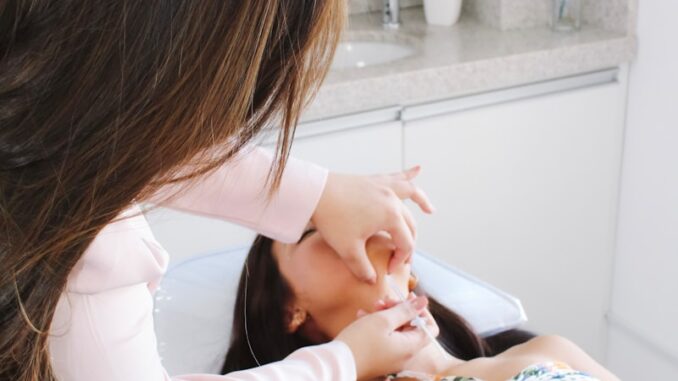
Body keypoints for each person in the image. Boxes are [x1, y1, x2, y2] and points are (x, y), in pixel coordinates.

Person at [0, 1, 435, 380]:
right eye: (307, 233)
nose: (385, 249)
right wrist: (345, 362)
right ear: (290, 313)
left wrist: (319, 196)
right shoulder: (90, 252)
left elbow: (107, 137)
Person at [222, 229, 622, 381]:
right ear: (288, 309)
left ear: (409, 275)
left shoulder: (547, 350)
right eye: (315, 230)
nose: (349, 226)